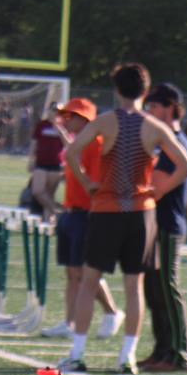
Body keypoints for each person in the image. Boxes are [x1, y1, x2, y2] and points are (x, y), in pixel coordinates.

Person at [58, 62, 187, 375]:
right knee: (134, 286)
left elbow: (72, 152)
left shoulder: (106, 121)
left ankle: (77, 354)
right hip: (140, 212)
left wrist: (87, 182)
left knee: (89, 281)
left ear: (117, 89)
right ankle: (126, 356)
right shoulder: (153, 126)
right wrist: (157, 191)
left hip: (107, 210)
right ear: (145, 91)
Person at [43, 98, 122, 342]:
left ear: (85, 119)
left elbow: (95, 184)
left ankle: (112, 311)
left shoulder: (95, 144)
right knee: (71, 272)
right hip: (72, 210)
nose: (66, 120)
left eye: (71, 116)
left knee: (84, 272)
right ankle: (69, 321)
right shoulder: (78, 142)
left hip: (88, 213)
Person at [142, 81, 187, 372]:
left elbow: (158, 185)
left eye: (155, 105)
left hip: (167, 224)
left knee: (166, 289)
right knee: (153, 290)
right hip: (155, 222)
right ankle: (161, 350)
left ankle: (177, 353)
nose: (149, 111)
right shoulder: (162, 142)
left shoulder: (174, 143)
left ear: (171, 108)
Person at [28, 105, 67, 220]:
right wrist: (31, 160)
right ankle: (57, 211)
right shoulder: (41, 125)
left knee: (49, 195)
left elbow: (68, 144)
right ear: (49, 111)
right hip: (41, 163)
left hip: (56, 164)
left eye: (58, 112)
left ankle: (48, 220)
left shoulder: (64, 126)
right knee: (38, 191)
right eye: (53, 110)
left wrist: (60, 130)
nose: (55, 113)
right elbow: (34, 143)